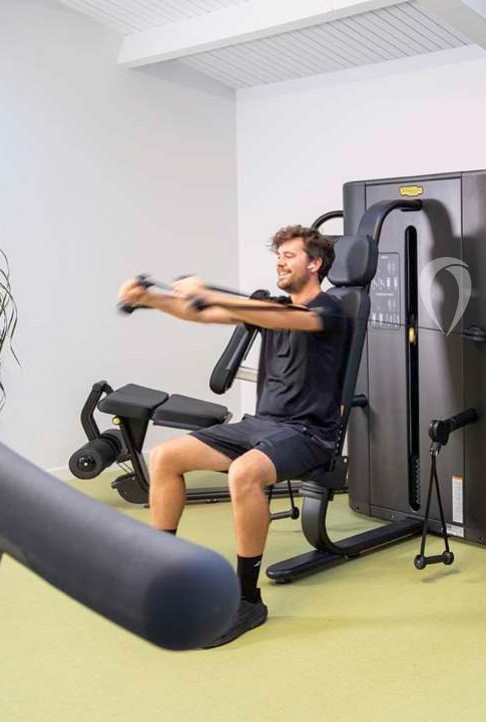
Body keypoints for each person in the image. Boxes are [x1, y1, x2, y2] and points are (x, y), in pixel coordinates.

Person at [115, 225, 349, 646]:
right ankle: (158, 568)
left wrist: (210, 290)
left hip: (309, 433)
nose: (280, 261)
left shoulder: (330, 310)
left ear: (314, 264)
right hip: (262, 423)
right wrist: (149, 298)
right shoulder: (271, 306)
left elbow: (287, 317)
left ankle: (247, 600)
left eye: (289, 255)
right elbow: (201, 312)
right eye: (278, 255)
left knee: (245, 473)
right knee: (165, 456)